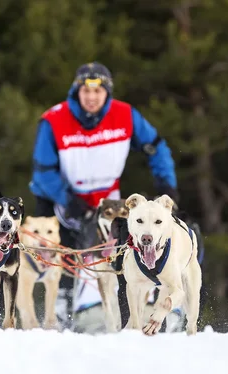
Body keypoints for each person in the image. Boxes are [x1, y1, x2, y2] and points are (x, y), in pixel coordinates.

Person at [28, 61, 179, 330]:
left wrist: (167, 186)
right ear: (77, 91)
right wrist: (71, 203)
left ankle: (141, 302)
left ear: (107, 92)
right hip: (63, 198)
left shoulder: (125, 114)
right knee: (63, 247)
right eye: (86, 91)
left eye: (98, 92)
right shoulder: (53, 119)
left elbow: (156, 148)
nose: (92, 97)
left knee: (122, 248)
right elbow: (43, 171)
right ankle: (62, 301)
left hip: (110, 200)